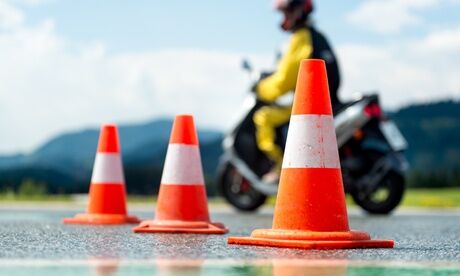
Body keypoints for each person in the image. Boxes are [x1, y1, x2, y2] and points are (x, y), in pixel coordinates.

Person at [254, 0, 341, 182]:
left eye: (286, 12)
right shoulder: (317, 36)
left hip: (310, 106)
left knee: (263, 118)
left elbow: (285, 80)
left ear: (299, 11)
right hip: (328, 102)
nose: (284, 17)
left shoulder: (301, 37)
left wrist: (262, 89)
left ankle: (280, 168)